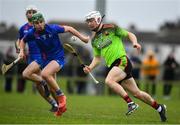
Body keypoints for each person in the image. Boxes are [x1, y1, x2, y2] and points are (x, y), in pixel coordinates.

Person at [83, 11, 167, 122]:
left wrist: (135, 43)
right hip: (114, 66)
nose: (89, 23)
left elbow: (129, 34)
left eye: (91, 20)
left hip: (122, 61)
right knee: (137, 93)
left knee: (109, 80)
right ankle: (159, 107)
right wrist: (90, 67)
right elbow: (97, 58)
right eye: (88, 21)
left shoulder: (111, 27)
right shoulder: (94, 40)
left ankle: (130, 103)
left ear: (98, 19)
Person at [18, 12, 89, 117]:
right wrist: (21, 51)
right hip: (45, 60)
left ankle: (62, 96)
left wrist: (83, 38)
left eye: (41, 22)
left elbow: (69, 28)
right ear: (33, 24)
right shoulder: (32, 33)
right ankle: (61, 108)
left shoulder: (52, 28)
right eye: (37, 23)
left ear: (44, 21)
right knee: (51, 89)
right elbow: (23, 41)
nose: (40, 24)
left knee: (45, 74)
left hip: (58, 58)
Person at [16, 5, 58, 112]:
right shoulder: (23, 28)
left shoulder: (42, 26)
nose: (31, 13)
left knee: (51, 85)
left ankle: (60, 104)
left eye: (33, 11)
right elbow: (20, 40)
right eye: (28, 12)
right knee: (38, 84)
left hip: (44, 56)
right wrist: (20, 50)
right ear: (26, 15)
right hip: (32, 56)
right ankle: (55, 104)